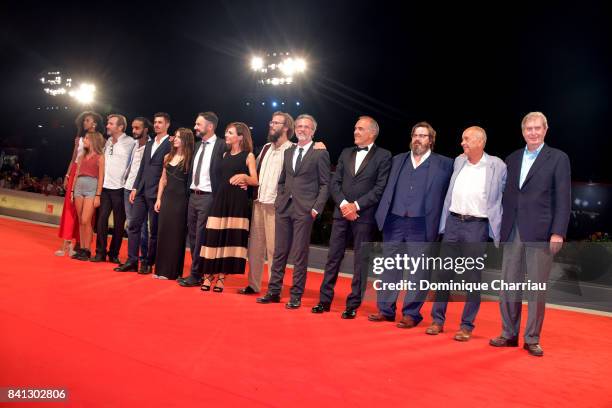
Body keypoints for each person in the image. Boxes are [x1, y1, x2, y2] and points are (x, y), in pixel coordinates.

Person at [490, 112, 571, 357]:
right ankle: (508, 333)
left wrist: (558, 232)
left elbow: (563, 198)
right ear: (523, 131)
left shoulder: (558, 158)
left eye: (537, 128)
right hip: (513, 229)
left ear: (545, 130)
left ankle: (532, 338)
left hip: (542, 232)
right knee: (509, 284)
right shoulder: (512, 159)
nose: (533, 132)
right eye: (529, 129)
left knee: (537, 287)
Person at [369, 121, 453, 327]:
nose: (418, 139)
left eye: (423, 136)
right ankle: (386, 310)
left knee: (419, 272)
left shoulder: (445, 163)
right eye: (415, 135)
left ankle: (411, 314)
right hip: (395, 221)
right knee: (390, 267)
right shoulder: (397, 160)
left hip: (422, 224)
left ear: (431, 140)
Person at [428, 126, 507, 341]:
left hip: (477, 227)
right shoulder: (459, 161)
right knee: (443, 275)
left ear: (480, 142)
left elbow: (504, 195)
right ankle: (437, 320)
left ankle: (466, 326)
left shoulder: (497, 166)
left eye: (466, 139)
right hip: (453, 222)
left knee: (473, 278)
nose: (462, 143)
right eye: (462, 139)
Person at [312, 116, 392, 319]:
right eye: (355, 128)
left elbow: (380, 188)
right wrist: (343, 205)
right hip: (341, 213)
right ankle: (324, 300)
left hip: (364, 216)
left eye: (360, 129)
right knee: (333, 258)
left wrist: (355, 206)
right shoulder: (346, 152)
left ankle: (352, 305)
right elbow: (334, 182)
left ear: (372, 133)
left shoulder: (384, 155)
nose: (355, 132)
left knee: (360, 263)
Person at [257, 114, 330, 309]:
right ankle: (273, 291)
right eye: (299, 126)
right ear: (294, 128)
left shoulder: (320, 153)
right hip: (284, 207)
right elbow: (282, 179)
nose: (302, 129)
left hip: (305, 210)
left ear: (313, 131)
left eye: (306, 127)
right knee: (279, 252)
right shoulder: (289, 152)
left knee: (299, 254)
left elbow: (325, 184)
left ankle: (296, 295)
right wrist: (281, 198)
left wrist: (316, 208)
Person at [237, 111, 295, 295]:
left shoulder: (293, 150)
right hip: (259, 203)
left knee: (274, 250)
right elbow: (257, 176)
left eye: (276, 123)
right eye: (271, 122)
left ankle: (273, 288)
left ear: (286, 128)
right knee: (255, 248)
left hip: (276, 207)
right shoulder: (264, 149)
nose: (271, 125)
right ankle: (253, 285)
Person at [198, 122, 258, 292]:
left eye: (230, 133)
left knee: (229, 239)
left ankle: (221, 278)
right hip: (220, 200)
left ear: (240, 137)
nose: (227, 135)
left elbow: (255, 180)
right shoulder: (224, 154)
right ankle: (208, 275)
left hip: (237, 203)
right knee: (212, 238)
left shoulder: (249, 156)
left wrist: (244, 176)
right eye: (226, 132)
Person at [116, 113, 171, 273]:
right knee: (133, 225)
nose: (157, 125)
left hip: (156, 193)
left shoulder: (170, 144)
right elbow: (141, 168)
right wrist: (134, 187)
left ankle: (148, 262)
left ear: (167, 124)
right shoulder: (149, 143)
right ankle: (132, 261)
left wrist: (162, 194)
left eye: (160, 122)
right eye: (155, 122)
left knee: (153, 231)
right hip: (141, 191)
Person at [177, 112, 225, 287]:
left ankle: (196, 274)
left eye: (198, 124)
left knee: (201, 237)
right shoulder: (196, 146)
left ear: (210, 127)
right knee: (193, 235)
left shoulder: (222, 146)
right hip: (193, 196)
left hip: (209, 197)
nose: (195, 127)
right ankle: (197, 272)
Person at [57, 111, 102, 258]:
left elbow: (101, 161)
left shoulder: (101, 140)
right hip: (76, 172)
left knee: (86, 217)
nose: (84, 123)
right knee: (70, 209)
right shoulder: (79, 139)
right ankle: (67, 243)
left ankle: (81, 246)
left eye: (87, 120)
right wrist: (67, 175)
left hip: (91, 175)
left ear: (94, 123)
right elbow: (73, 158)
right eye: (84, 121)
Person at [92, 114, 135, 263]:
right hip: (105, 187)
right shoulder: (108, 141)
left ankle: (114, 254)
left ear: (120, 127)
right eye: (108, 123)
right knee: (101, 221)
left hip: (121, 189)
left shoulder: (131, 142)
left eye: (111, 124)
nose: (108, 126)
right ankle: (100, 252)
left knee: (118, 224)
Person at [152, 128, 194, 279]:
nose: (175, 139)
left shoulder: (190, 159)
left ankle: (172, 272)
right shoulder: (167, 157)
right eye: (175, 136)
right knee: (163, 232)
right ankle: (160, 270)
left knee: (176, 235)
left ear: (186, 140)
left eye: (178, 137)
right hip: (167, 198)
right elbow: (163, 180)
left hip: (181, 200)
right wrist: (158, 199)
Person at [118, 117, 151, 273]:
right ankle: (132, 260)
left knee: (143, 227)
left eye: (137, 128)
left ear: (145, 129)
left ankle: (144, 260)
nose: (134, 131)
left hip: (140, 191)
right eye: (133, 128)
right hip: (127, 187)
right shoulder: (134, 144)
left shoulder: (151, 146)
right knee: (131, 226)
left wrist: (138, 188)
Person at [72, 131, 106, 261]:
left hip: (92, 188)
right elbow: (76, 174)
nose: (84, 140)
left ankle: (87, 249)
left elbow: (101, 177)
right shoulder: (82, 156)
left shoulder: (100, 157)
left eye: (86, 138)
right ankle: (82, 249)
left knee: (86, 220)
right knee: (81, 220)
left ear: (93, 140)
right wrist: (72, 191)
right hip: (79, 187)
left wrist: (98, 195)